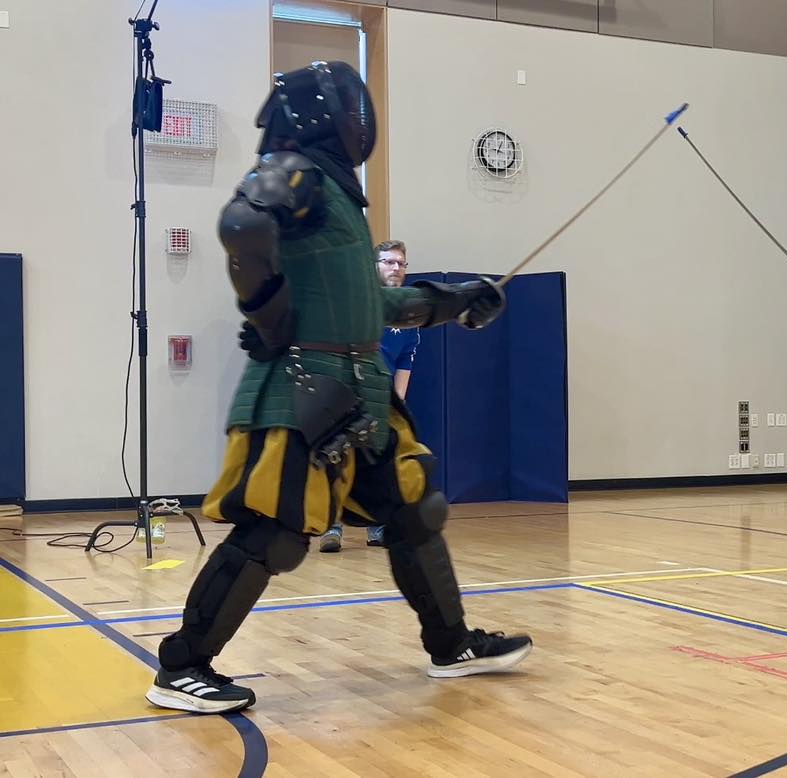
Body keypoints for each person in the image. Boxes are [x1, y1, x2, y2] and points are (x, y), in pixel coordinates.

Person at [145, 62, 532, 715]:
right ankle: (182, 667)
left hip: (361, 395)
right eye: (348, 109)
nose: (359, 121)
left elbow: (373, 303)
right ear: (321, 115)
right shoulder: (296, 171)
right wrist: (270, 316)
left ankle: (452, 645)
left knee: (414, 515)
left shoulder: (339, 201)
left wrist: (457, 299)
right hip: (299, 390)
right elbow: (244, 226)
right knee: (274, 533)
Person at [319, 239, 421, 552]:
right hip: (347, 394)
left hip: (382, 398)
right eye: (389, 262)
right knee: (338, 461)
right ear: (374, 266)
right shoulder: (355, 304)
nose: (396, 269)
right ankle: (331, 528)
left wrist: (397, 403)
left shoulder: (408, 315)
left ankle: (377, 528)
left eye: (400, 263)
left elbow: (405, 359)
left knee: (380, 463)